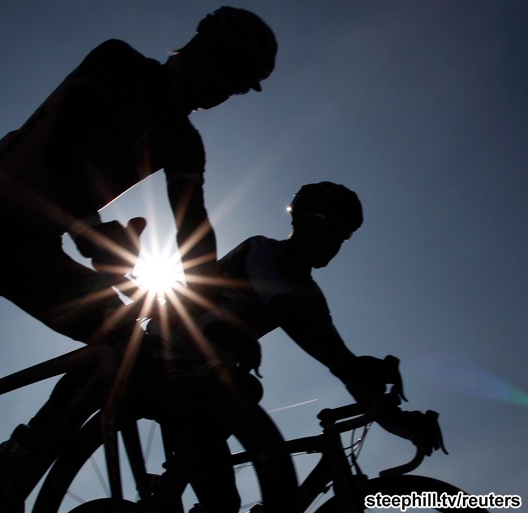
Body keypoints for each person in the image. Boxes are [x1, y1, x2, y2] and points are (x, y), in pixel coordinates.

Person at [0, 6, 278, 512]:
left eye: (241, 86)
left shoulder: (185, 141)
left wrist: (211, 311)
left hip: (40, 245)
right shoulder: (119, 63)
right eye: (231, 75)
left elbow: (193, 227)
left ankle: (23, 457)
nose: (228, 93)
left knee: (127, 343)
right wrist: (90, 231)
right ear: (203, 49)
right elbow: (64, 144)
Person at [138, 182, 446, 513]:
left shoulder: (311, 295)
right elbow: (287, 313)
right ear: (302, 221)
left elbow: (338, 361)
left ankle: (168, 493)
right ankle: (168, 491)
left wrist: (397, 421)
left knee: (223, 505)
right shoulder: (263, 250)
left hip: (209, 370)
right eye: (333, 227)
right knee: (242, 391)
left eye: (346, 235)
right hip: (164, 350)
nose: (337, 242)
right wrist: (353, 365)